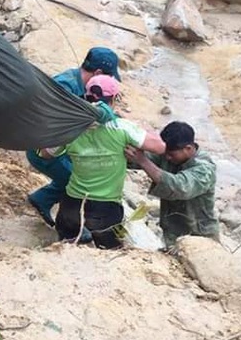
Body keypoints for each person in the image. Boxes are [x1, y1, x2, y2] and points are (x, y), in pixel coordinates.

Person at [47, 75, 165, 248]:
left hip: (71, 205)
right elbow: (160, 147)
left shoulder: (72, 128)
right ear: (114, 99)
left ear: (85, 97)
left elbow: (46, 153)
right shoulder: (122, 127)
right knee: (112, 249)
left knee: (67, 245)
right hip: (106, 209)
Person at [26, 47, 121, 226]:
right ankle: (69, 224)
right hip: (43, 145)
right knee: (78, 183)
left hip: (59, 143)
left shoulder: (84, 88)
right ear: (98, 73)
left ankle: (43, 200)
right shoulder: (65, 87)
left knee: (82, 172)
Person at [124, 121, 219, 248]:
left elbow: (179, 187)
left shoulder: (204, 168)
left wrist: (143, 161)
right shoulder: (168, 155)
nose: (167, 158)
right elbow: (140, 158)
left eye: (171, 154)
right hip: (173, 232)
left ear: (188, 149)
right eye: (165, 153)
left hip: (200, 237)